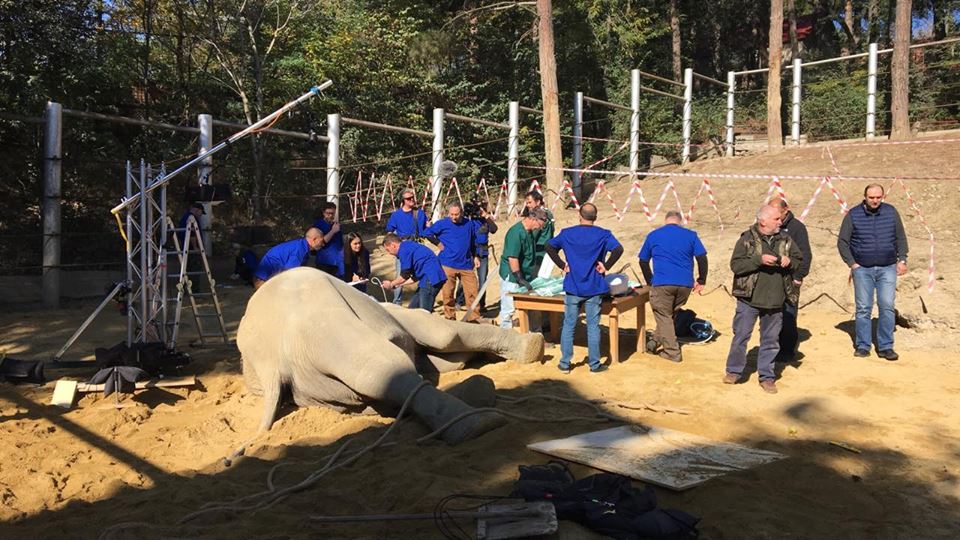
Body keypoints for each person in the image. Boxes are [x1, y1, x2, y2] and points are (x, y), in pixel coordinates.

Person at [723, 205, 802, 394]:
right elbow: (736, 265)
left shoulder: (786, 239)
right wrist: (758, 260)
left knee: (771, 340)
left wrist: (790, 262)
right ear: (763, 221)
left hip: (776, 300)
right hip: (748, 299)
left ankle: (767, 376)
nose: (780, 222)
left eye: (779, 219)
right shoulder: (746, 239)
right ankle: (733, 371)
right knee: (741, 336)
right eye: (776, 219)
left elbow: (799, 259)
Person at [545, 203, 623, 374]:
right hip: (594, 287)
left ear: (580, 215)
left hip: (573, 286)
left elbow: (549, 246)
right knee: (593, 326)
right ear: (595, 217)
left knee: (569, 324)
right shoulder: (603, 234)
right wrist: (606, 266)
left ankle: (565, 363)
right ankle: (594, 364)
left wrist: (561, 264)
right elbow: (618, 249)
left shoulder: (567, 233)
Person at [837, 184, 909, 360]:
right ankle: (863, 345)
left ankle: (885, 346)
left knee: (886, 306)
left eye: (878, 197)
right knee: (863, 308)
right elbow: (842, 242)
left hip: (888, 268)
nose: (875, 201)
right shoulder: (853, 214)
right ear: (865, 197)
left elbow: (900, 237)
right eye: (871, 197)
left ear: (882, 197)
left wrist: (903, 259)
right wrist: (852, 264)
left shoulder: (891, 212)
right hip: (862, 269)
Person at [638, 211, 708, 363]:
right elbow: (702, 258)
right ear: (680, 221)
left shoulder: (654, 235)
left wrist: (650, 281)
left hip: (662, 282)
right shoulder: (691, 235)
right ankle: (655, 341)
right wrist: (701, 280)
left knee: (664, 315)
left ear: (665, 221)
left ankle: (672, 352)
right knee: (669, 315)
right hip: (685, 285)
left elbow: (643, 261)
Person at [422, 202, 482, 322]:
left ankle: (474, 318)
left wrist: (476, 256)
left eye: (456, 214)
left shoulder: (468, 224)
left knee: (472, 292)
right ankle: (450, 319)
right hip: (448, 264)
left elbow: (473, 242)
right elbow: (427, 233)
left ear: (461, 213)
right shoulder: (443, 223)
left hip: (466, 264)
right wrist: (438, 244)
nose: (454, 217)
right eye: (451, 214)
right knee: (448, 294)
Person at [772, 198, 812, 362]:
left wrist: (798, 276)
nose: (775, 216)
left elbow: (805, 255)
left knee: (788, 314)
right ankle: (772, 347)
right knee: (772, 315)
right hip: (771, 280)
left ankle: (787, 350)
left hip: (790, 279)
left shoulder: (797, 228)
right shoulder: (770, 225)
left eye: (777, 213)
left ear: (785, 210)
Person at [498, 206, 547, 329]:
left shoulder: (530, 232)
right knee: (508, 308)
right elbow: (513, 258)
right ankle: (505, 334)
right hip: (512, 275)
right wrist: (519, 278)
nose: (540, 228)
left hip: (527, 274)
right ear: (534, 219)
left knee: (533, 306)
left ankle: (535, 333)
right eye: (540, 225)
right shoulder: (516, 233)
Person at [381, 233, 447, 313]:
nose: (389, 253)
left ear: (393, 245)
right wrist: (399, 284)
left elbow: (404, 275)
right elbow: (414, 277)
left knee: (424, 312)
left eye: (388, 250)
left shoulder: (404, 250)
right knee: (413, 309)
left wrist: (391, 284)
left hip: (431, 279)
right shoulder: (408, 246)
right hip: (426, 279)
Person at [385, 188, 430, 305]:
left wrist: (429, 227)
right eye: (408, 198)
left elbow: (425, 231)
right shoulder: (396, 215)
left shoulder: (419, 213)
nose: (411, 200)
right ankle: (397, 301)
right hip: (403, 249)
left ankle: (422, 299)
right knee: (401, 274)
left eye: (412, 197)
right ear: (403, 200)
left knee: (422, 274)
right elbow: (389, 231)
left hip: (417, 248)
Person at [455, 200, 498, 311]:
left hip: (483, 252)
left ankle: (481, 304)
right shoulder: (468, 222)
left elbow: (494, 229)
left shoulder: (485, 221)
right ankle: (459, 301)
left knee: (483, 279)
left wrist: (486, 216)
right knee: (464, 278)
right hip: (470, 253)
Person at [253, 228, 325, 289]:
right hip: (264, 281)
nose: (323, 244)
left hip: (265, 278)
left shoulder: (301, 246)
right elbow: (289, 274)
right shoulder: (300, 250)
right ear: (314, 239)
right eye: (321, 241)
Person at [313, 201, 344, 278]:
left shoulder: (336, 225)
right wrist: (333, 231)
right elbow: (319, 243)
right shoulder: (318, 225)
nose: (330, 215)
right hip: (325, 262)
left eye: (333, 213)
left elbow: (340, 244)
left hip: (338, 262)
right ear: (323, 213)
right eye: (328, 213)